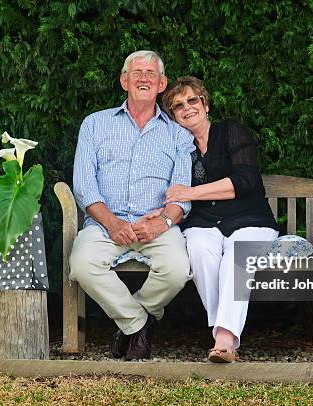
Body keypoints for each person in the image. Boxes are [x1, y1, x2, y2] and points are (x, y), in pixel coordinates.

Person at [70, 51, 195, 361]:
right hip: (104, 224)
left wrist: (163, 222)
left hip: (156, 225)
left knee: (178, 269)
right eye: (136, 72)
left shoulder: (178, 134)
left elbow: (181, 194)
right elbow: (84, 186)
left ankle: (129, 324)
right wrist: (112, 223)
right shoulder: (95, 124)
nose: (143, 78)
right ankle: (137, 324)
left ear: (162, 83)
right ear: (124, 80)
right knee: (83, 264)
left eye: (151, 74)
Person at [161, 76, 279, 363]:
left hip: (250, 220)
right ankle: (222, 332)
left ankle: (224, 337)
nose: (187, 108)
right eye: (178, 106)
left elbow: (246, 180)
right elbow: (168, 189)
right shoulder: (180, 149)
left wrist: (191, 191)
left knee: (237, 255)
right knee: (199, 248)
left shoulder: (230, 131)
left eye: (192, 100)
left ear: (205, 104)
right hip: (204, 224)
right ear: (174, 117)